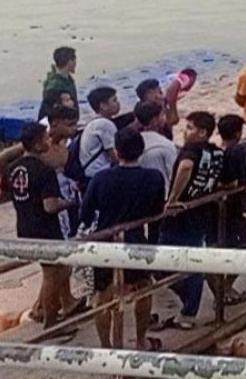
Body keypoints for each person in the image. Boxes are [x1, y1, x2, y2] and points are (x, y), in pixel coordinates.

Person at [80, 128, 166, 351]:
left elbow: (85, 215)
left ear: (117, 152)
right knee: (144, 289)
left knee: (102, 297)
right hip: (137, 239)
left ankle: (106, 347)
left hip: (106, 242)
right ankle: (140, 340)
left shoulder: (101, 179)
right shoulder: (154, 178)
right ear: (141, 150)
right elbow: (156, 213)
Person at [2, 123, 76, 327]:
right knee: (54, 274)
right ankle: (50, 322)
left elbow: (4, 193)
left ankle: (46, 308)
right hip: (46, 230)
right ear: (36, 145)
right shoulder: (44, 171)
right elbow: (50, 206)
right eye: (45, 138)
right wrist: (70, 202)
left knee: (54, 271)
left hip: (25, 226)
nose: (49, 141)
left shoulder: (13, 168)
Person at [159, 111, 225, 329]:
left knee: (159, 261)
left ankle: (189, 307)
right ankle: (189, 307)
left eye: (189, 128)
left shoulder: (191, 151)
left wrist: (173, 199)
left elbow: (186, 167)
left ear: (202, 132)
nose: (185, 132)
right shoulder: (216, 152)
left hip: (181, 212)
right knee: (193, 258)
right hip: (202, 210)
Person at [216, 114, 246, 304]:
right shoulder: (239, 151)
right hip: (234, 206)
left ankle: (222, 288)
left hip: (218, 206)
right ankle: (224, 288)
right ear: (237, 132)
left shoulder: (216, 152)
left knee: (222, 246)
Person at [135, 101, 178, 194]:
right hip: (163, 194)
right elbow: (173, 174)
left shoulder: (132, 143)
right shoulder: (166, 144)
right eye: (162, 115)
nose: (164, 118)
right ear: (155, 120)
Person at [80, 87, 121, 180]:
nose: (118, 103)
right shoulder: (105, 124)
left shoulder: (93, 123)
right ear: (103, 106)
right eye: (114, 100)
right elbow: (115, 156)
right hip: (100, 173)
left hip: (91, 173)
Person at [38, 46, 77, 120]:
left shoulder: (67, 79)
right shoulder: (55, 85)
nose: (76, 64)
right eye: (74, 61)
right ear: (69, 62)